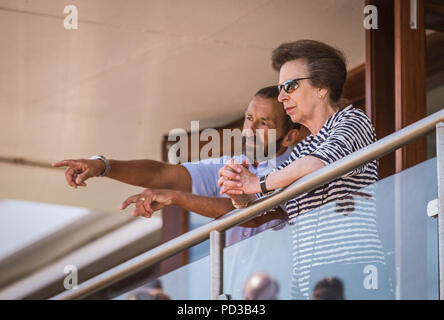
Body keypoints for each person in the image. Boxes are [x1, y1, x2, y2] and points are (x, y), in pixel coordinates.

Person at [219, 40, 384, 299]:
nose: (282, 96)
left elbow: (320, 164)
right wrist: (239, 191)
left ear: (321, 87)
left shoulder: (352, 120)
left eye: (291, 86)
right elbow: (262, 200)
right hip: (308, 279)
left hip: (352, 269)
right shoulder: (302, 149)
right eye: (280, 88)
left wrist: (256, 183)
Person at [52, 86, 301, 247]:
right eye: (249, 119)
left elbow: (251, 215)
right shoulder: (232, 165)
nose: (249, 131)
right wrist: (102, 166)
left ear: (289, 138)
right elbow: (163, 174)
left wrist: (174, 197)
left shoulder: (295, 169)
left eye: (263, 123)